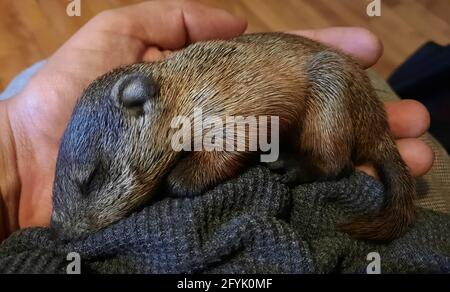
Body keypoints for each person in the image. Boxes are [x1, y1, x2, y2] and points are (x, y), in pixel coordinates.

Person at [0, 0, 433, 241]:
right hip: (286, 123)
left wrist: (202, 168)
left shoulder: (200, 95)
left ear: (141, 106)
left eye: (94, 180)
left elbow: (242, 127)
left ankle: (324, 163)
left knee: (328, 79)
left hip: (326, 100)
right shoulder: (163, 107)